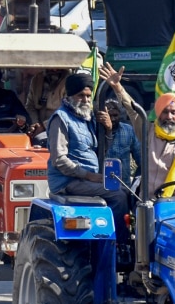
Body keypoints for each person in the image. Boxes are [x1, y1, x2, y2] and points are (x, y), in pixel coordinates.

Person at [46, 72, 129, 240]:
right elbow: (59, 160)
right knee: (118, 195)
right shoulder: (60, 119)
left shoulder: (88, 118)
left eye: (88, 96)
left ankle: (126, 237)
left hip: (89, 179)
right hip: (68, 181)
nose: (85, 100)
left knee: (131, 191)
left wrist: (107, 129)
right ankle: (119, 242)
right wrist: (89, 176)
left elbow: (101, 151)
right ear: (68, 96)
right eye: (80, 96)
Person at [100, 64, 175, 193]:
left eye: (174, 112)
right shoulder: (148, 132)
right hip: (147, 201)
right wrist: (117, 87)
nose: (169, 116)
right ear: (158, 113)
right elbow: (133, 110)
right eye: (165, 112)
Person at [101, 97, 142, 182]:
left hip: (124, 185)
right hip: (101, 183)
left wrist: (136, 182)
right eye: (109, 115)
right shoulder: (96, 131)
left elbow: (141, 160)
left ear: (120, 114)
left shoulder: (128, 130)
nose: (112, 119)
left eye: (115, 115)